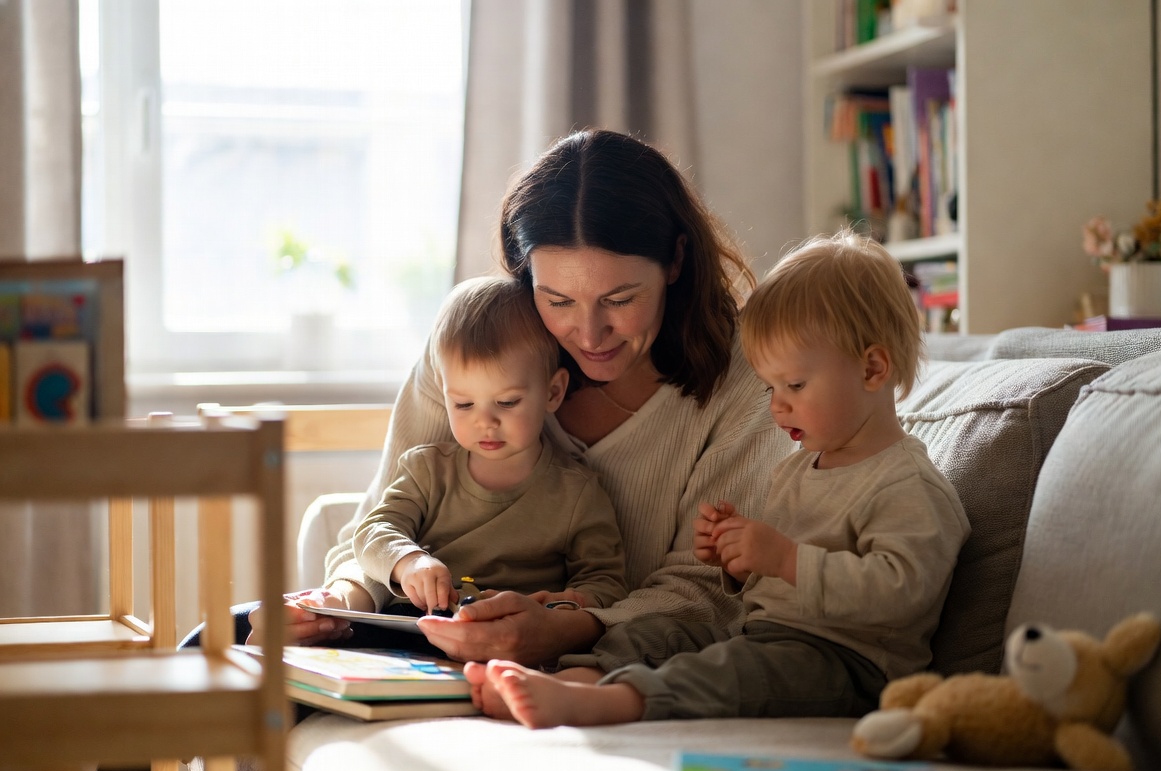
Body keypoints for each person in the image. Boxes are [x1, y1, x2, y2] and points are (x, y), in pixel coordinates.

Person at [251, 128, 793, 667]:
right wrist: (338, 603)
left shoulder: (746, 379)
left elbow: (707, 594)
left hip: (600, 664)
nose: (589, 333)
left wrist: (562, 629)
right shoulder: (474, 342)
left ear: (675, 262)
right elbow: (371, 531)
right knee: (217, 647)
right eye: (557, 299)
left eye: (620, 299)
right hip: (423, 643)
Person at [467, 230, 972, 728]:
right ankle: (578, 680)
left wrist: (784, 558)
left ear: (873, 368)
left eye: (794, 384)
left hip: (853, 666)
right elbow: (771, 583)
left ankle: (605, 704)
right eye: (770, 385)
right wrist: (734, 557)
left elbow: (902, 591)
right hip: (766, 636)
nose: (777, 404)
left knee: (732, 672)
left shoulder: (907, 484)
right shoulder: (803, 466)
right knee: (656, 634)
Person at [350, 274, 626, 618]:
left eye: (507, 402)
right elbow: (373, 533)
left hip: (516, 643)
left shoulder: (577, 493)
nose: (485, 422)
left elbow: (606, 584)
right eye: (464, 405)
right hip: (414, 625)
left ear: (553, 392)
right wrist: (409, 562)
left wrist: (557, 607)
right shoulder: (426, 470)